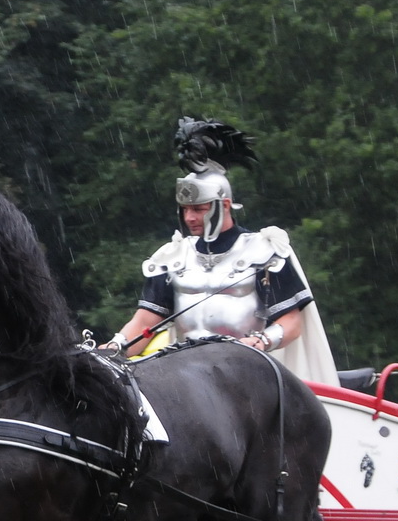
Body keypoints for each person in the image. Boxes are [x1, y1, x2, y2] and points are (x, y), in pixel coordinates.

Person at [105, 117, 337, 383]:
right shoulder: (172, 256)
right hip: (184, 373)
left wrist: (260, 342)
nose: (190, 217)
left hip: (248, 373)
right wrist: (113, 349)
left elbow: (291, 322)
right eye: (185, 209)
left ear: (224, 205)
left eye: (199, 209)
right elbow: (145, 321)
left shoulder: (263, 252)